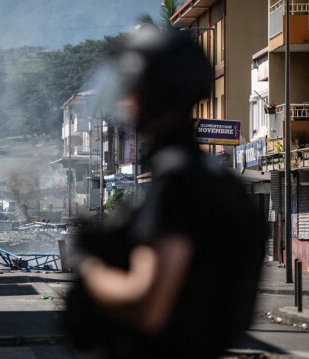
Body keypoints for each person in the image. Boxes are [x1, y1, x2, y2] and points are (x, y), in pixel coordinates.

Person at [65, 27, 266, 358]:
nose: (124, 105)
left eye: (129, 92)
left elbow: (148, 304)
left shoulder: (179, 180)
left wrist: (89, 270)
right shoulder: (213, 177)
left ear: (147, 96)